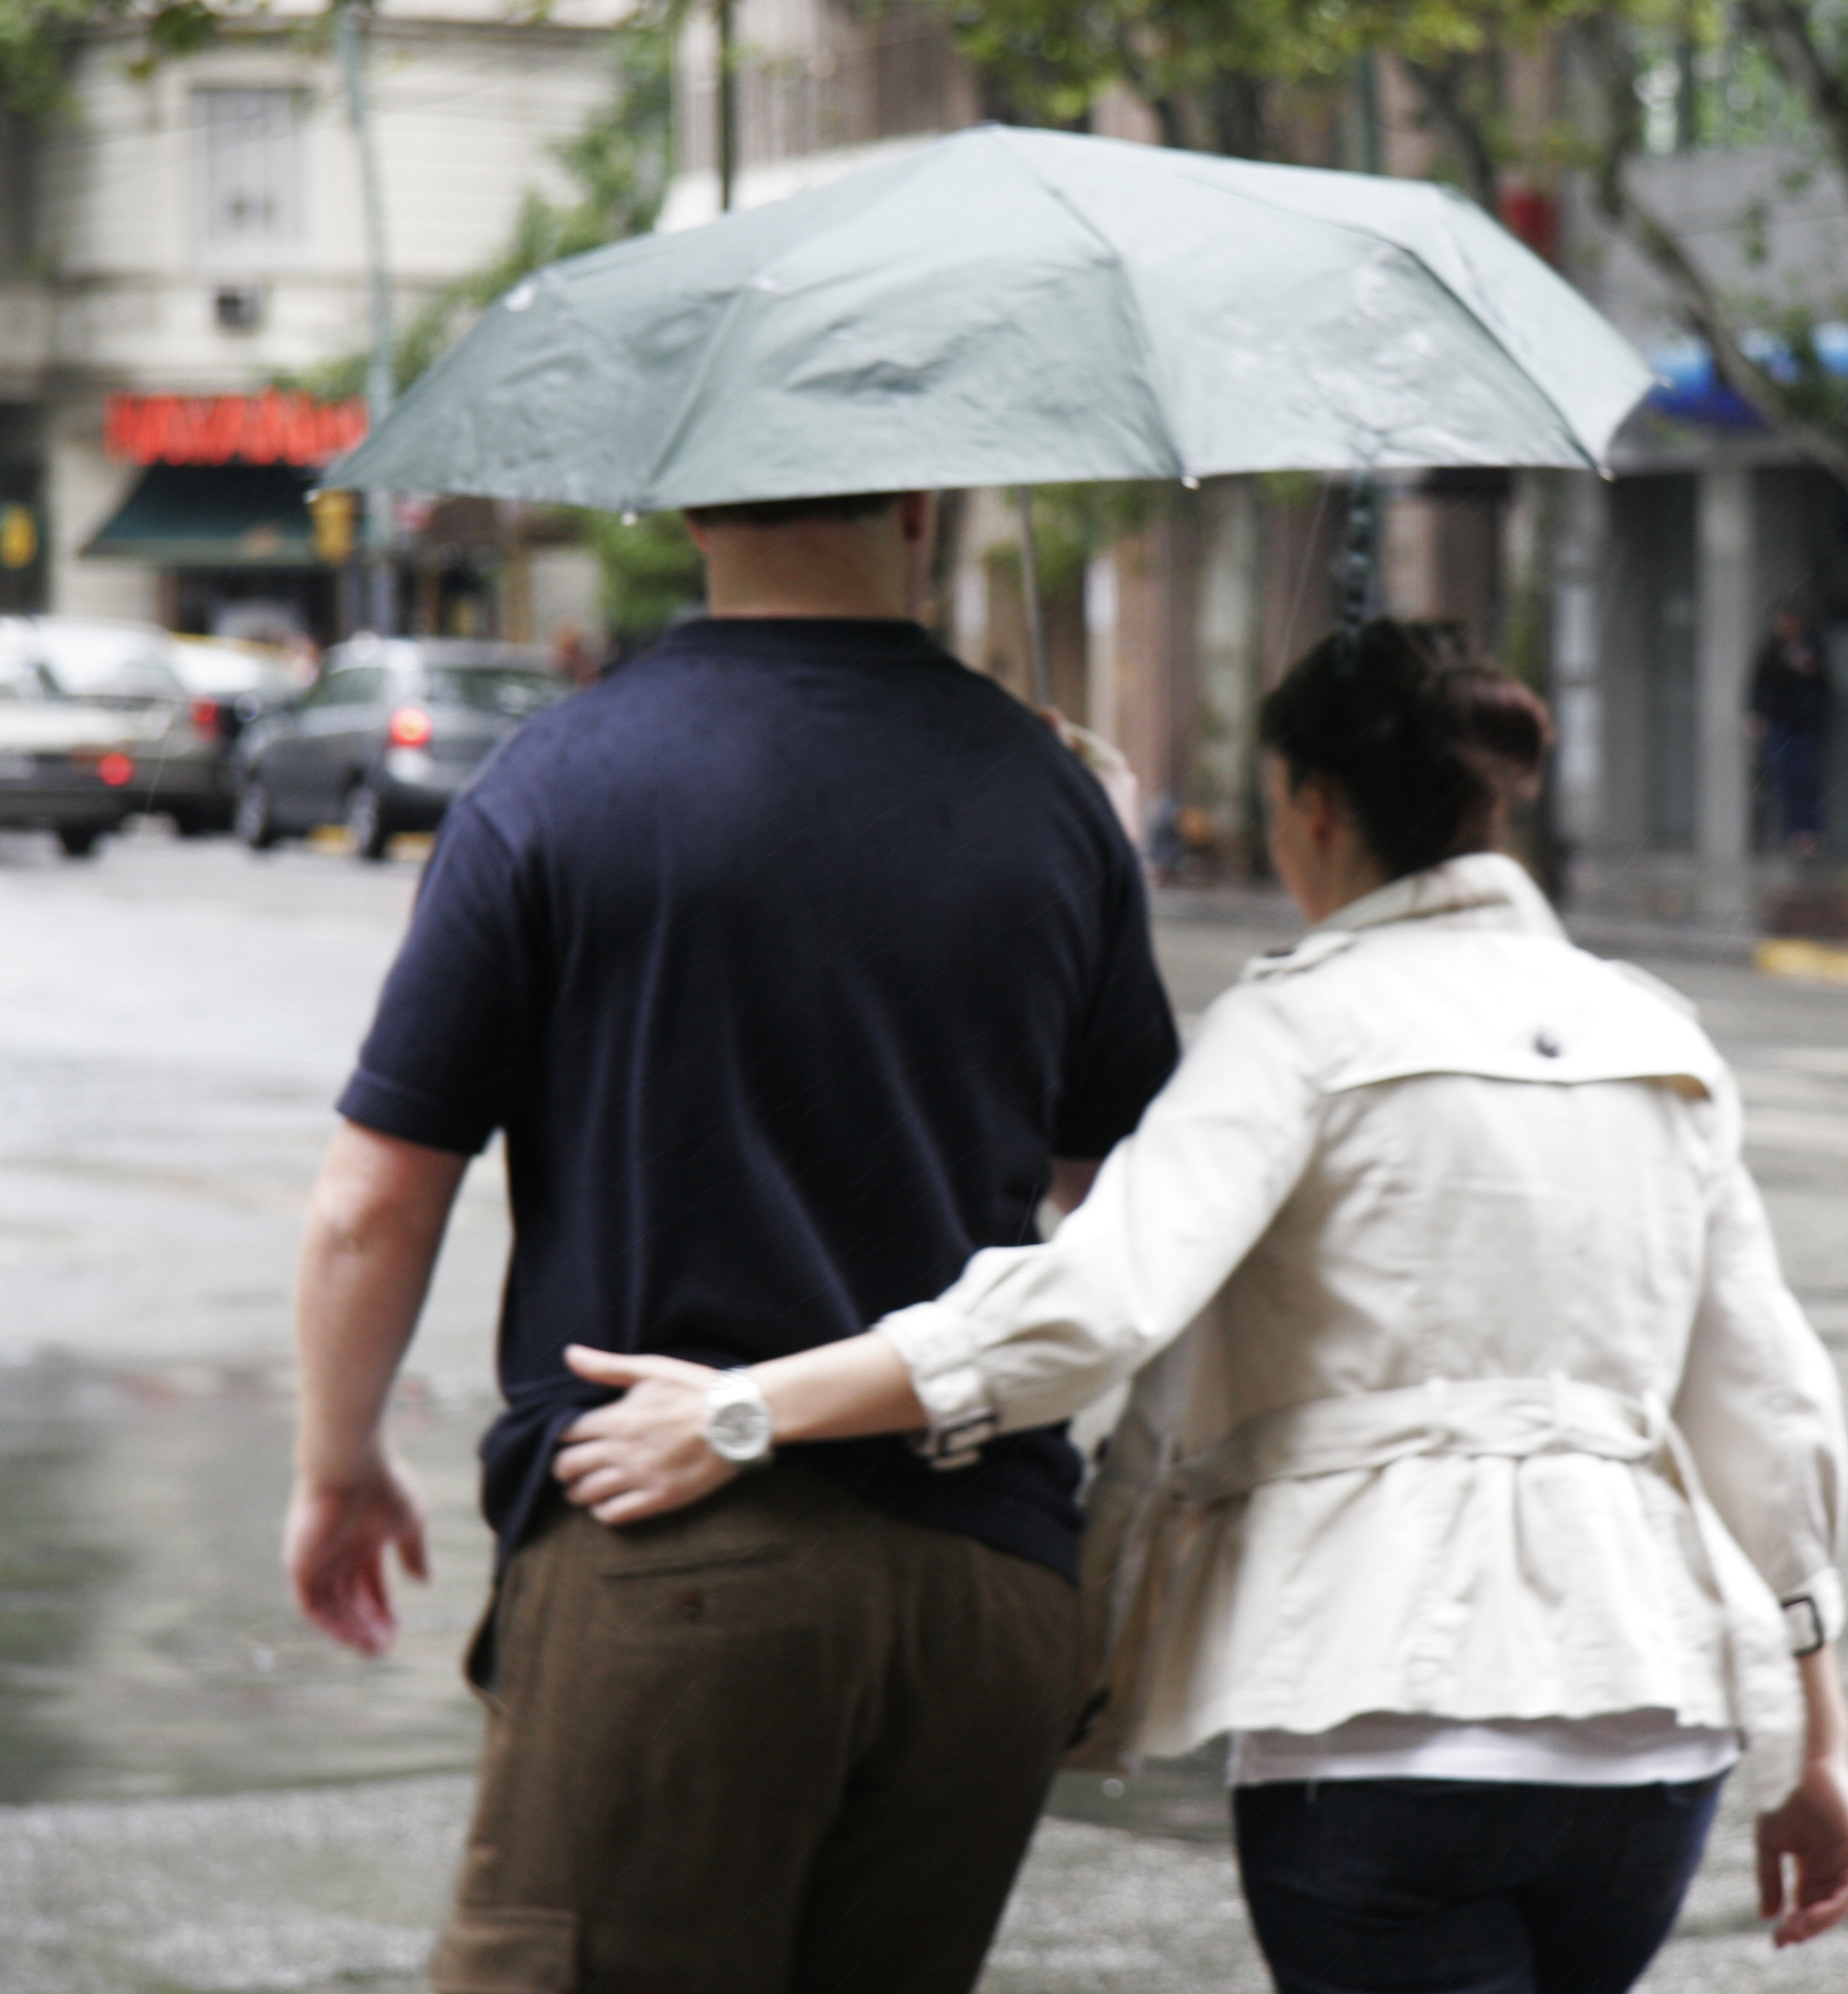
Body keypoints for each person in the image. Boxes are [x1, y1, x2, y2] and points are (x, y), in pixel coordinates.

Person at [552, 620, 1848, 1993]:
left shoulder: (1299, 1022)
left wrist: (748, 1408)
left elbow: (1097, 1303)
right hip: (1653, 1736)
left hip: (1378, 1715)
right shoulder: (1653, 1033)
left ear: (1314, 806)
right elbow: (1769, 1405)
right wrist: (1817, 1747)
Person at [281, 488, 1180, 1993]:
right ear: (920, 508)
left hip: (675, 1560)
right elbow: (1133, 1216)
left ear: (695, 507)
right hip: (990, 1587)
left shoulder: (560, 779)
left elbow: (375, 1200)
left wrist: (338, 1460)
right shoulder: (1051, 796)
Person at [1747, 605, 1828, 859]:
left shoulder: (1811, 650)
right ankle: (1791, 833)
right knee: (1784, 779)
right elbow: (1759, 685)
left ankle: (1808, 832)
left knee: (1806, 779)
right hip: (1779, 723)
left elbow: (1821, 686)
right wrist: (1758, 714)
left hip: (1804, 725)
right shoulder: (1771, 653)